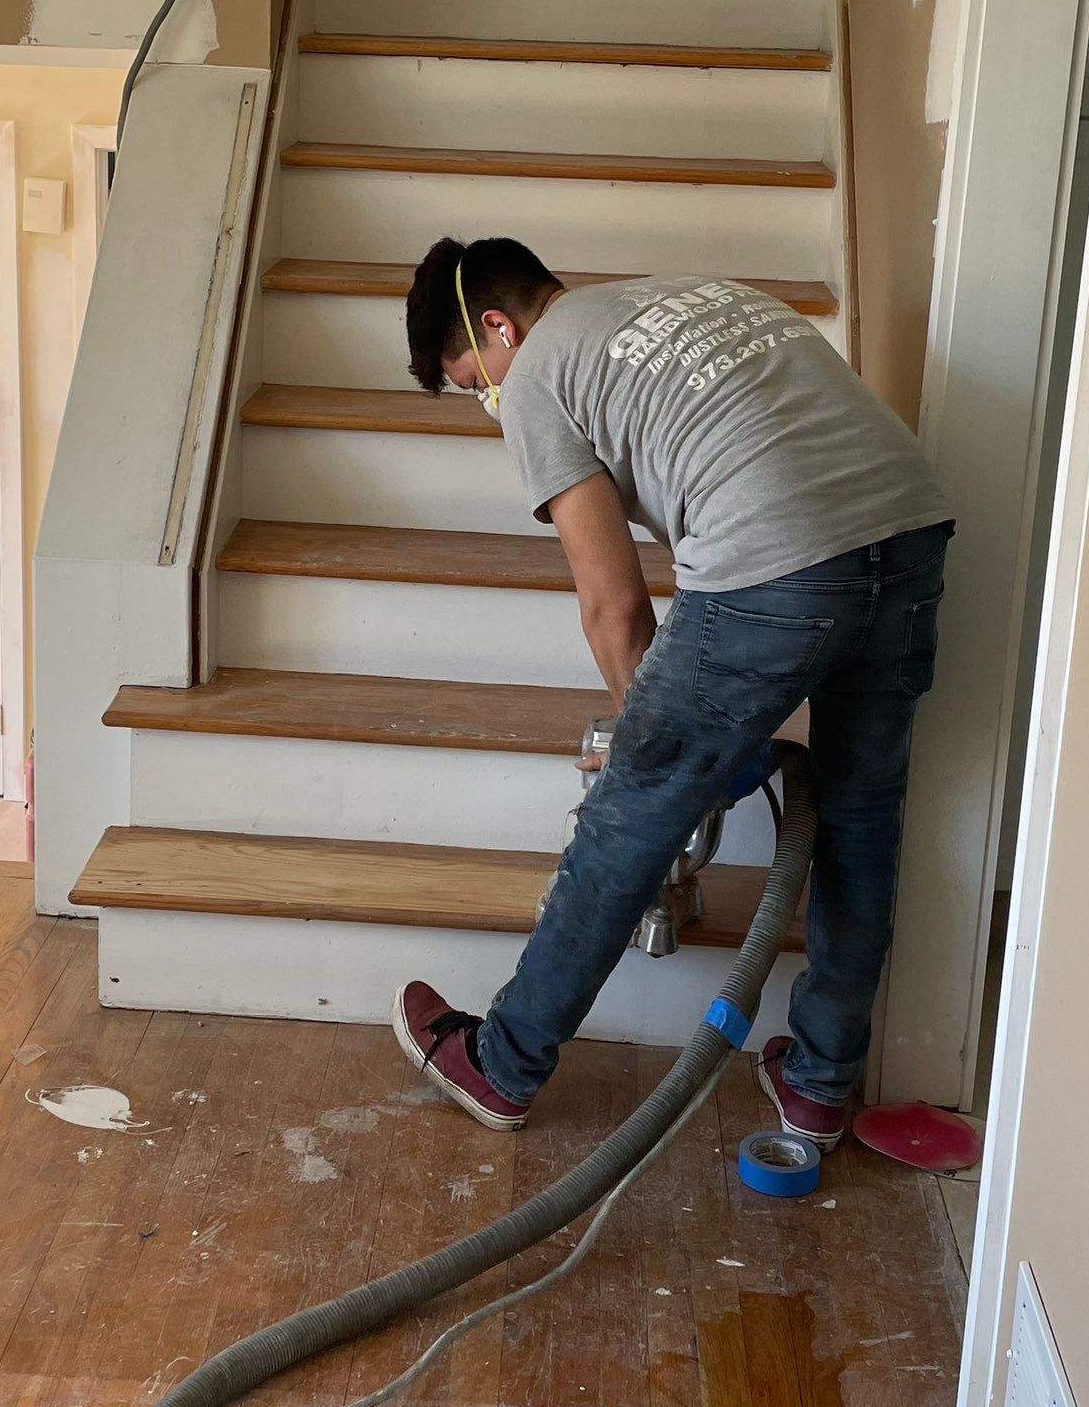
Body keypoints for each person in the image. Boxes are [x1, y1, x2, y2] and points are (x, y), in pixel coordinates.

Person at [389, 235, 956, 1157]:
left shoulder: (539, 375)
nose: (491, 401)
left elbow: (613, 606)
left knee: (629, 811)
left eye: (474, 382)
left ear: (499, 326)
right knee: (862, 814)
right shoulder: (696, 293)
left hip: (776, 556)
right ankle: (817, 1085)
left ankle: (503, 1062)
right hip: (910, 527)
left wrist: (649, 748)